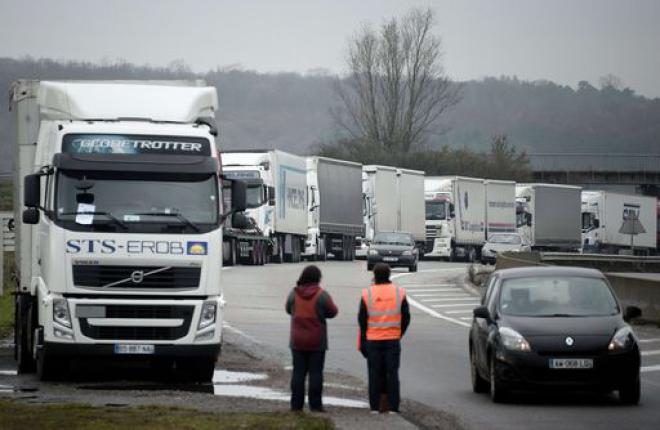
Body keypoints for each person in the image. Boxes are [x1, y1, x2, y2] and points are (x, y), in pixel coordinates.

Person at [358, 263, 411, 414]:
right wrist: (398, 333)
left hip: (373, 340)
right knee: (392, 373)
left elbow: (362, 320)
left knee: (374, 374)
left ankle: (374, 407)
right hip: (393, 339)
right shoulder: (399, 292)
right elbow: (406, 317)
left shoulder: (367, 293)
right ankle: (393, 407)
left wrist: (363, 339)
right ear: (389, 275)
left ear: (374, 275)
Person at [285, 265, 338, 412]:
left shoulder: (294, 294)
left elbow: (288, 309)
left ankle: (296, 405)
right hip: (317, 341)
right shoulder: (321, 295)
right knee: (315, 373)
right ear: (318, 278)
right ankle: (315, 405)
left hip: (297, 341)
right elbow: (333, 312)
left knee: (298, 373)